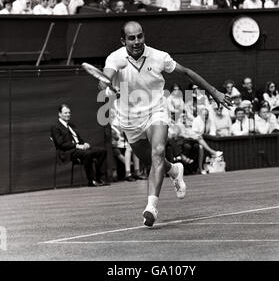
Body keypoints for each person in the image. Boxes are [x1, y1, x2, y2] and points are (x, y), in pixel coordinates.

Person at [98, 21, 232, 227]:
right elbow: (104, 79)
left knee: (158, 151)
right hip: (129, 119)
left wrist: (214, 91)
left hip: (156, 111)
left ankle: (151, 207)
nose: (136, 41)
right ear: (123, 40)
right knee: (152, 162)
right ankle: (174, 170)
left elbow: (186, 72)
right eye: (131, 38)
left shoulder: (159, 56)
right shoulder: (115, 58)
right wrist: (108, 86)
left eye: (140, 36)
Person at [51, 104, 108, 187]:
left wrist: (84, 143)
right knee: (87, 154)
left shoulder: (72, 126)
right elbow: (61, 144)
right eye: (65, 113)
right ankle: (91, 180)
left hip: (79, 149)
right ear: (59, 114)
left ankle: (99, 178)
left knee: (102, 151)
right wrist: (77, 146)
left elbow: (79, 139)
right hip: (67, 152)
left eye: (69, 113)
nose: (68, 114)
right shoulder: (55, 127)